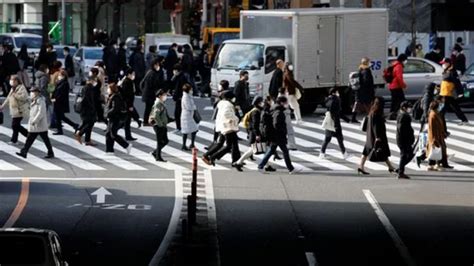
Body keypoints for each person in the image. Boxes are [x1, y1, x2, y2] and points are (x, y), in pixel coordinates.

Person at [257, 96, 301, 174]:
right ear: (281, 103)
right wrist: (282, 131)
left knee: (271, 150)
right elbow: (276, 124)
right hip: (278, 135)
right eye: (286, 102)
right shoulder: (278, 112)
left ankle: (260, 166)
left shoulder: (275, 109)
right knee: (285, 151)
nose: (287, 104)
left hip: (275, 135)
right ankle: (291, 169)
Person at [233, 96, 275, 172]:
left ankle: (267, 165)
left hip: (255, 134)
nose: (263, 103)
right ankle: (238, 163)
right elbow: (255, 125)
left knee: (263, 149)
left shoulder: (257, 110)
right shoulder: (255, 112)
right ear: (258, 103)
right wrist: (258, 135)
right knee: (252, 150)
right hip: (255, 134)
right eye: (261, 102)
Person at [358, 97, 395, 175]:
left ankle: (361, 167)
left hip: (370, 135)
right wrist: (377, 137)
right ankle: (390, 167)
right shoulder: (377, 113)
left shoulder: (372, 111)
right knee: (382, 151)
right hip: (376, 136)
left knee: (366, 152)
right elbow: (376, 126)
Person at [203, 91, 241, 166]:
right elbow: (227, 114)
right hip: (228, 126)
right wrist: (236, 118)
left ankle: (207, 155)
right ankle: (213, 157)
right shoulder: (227, 105)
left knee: (221, 143)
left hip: (222, 126)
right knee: (229, 145)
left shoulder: (222, 103)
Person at [15, 86, 54, 159]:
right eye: (31, 91)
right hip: (36, 124)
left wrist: (35, 121)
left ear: (37, 93)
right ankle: (24, 152)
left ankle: (25, 152)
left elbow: (41, 112)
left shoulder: (41, 101)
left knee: (43, 139)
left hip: (39, 124)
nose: (31, 93)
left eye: (33, 92)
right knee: (31, 139)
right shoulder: (33, 99)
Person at [319, 88, 349, 159]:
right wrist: (347, 119)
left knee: (327, 139)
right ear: (333, 93)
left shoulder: (328, 100)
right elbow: (338, 113)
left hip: (329, 122)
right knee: (339, 138)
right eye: (337, 92)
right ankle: (344, 154)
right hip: (335, 122)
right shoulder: (336, 100)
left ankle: (322, 153)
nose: (338, 93)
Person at [439, 57, 469, 126]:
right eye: (442, 63)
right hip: (445, 92)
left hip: (448, 93)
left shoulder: (452, 72)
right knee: (455, 107)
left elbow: (457, 82)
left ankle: (438, 119)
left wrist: (460, 92)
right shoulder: (446, 70)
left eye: (444, 63)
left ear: (448, 63)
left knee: (443, 108)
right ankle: (464, 120)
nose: (443, 65)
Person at [0, 76, 29, 144]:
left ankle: (22, 137)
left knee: (14, 125)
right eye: (11, 80)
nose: (11, 81)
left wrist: (15, 95)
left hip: (20, 109)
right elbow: (8, 98)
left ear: (17, 81)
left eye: (13, 80)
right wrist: (2, 106)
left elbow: (24, 97)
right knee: (16, 125)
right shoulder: (13, 88)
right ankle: (19, 138)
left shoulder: (21, 87)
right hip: (14, 110)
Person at [105, 83, 132, 154]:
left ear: (111, 89)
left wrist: (107, 114)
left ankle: (126, 145)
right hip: (112, 117)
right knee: (108, 134)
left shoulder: (115, 97)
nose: (107, 90)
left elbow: (115, 108)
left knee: (113, 134)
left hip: (115, 118)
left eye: (108, 88)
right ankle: (109, 150)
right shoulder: (112, 96)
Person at [426, 100, 452, 171]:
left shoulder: (436, 113)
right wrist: (434, 138)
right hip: (436, 136)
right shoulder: (433, 115)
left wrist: (443, 133)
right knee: (437, 150)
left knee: (438, 150)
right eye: (439, 105)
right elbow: (432, 128)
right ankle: (436, 164)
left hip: (439, 135)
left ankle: (439, 164)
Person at [51, 70, 79, 135]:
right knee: (61, 117)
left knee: (59, 117)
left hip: (60, 102)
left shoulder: (65, 83)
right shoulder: (59, 82)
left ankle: (61, 130)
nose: (59, 76)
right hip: (58, 102)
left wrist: (55, 99)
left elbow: (61, 94)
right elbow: (53, 90)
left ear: (63, 76)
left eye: (60, 75)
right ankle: (74, 125)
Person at [142, 58, 165, 126]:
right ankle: (146, 122)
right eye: (157, 65)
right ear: (154, 65)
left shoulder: (150, 72)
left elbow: (142, 83)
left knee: (150, 108)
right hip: (150, 93)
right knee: (149, 108)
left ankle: (148, 121)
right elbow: (153, 84)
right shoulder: (153, 73)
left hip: (148, 93)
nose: (158, 66)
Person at [74, 79, 97, 146]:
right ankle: (79, 134)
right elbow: (87, 99)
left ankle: (87, 140)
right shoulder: (88, 88)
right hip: (87, 109)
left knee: (88, 123)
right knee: (90, 123)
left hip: (86, 109)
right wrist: (92, 107)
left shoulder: (86, 87)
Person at [149, 89, 170, 162]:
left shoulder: (161, 103)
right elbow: (155, 115)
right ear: (159, 96)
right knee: (160, 141)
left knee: (165, 141)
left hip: (162, 125)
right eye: (164, 95)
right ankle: (158, 157)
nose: (165, 96)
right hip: (158, 125)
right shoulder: (158, 103)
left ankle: (155, 153)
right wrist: (160, 124)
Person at [352, 57, 375, 123]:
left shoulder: (360, 68)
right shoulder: (366, 70)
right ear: (366, 62)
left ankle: (353, 118)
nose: (370, 63)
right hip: (365, 91)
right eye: (369, 61)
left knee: (357, 104)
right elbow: (366, 81)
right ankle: (371, 117)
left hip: (359, 91)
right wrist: (370, 89)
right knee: (368, 105)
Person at [396, 101, 415, 179]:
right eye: (408, 107)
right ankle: (400, 172)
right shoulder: (404, 116)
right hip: (404, 140)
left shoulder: (401, 114)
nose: (410, 109)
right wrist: (408, 137)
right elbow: (402, 129)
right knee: (405, 155)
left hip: (402, 139)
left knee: (408, 155)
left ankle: (400, 169)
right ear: (404, 108)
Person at [120, 67, 139, 140]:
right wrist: (130, 105)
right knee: (127, 121)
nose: (134, 75)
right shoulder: (127, 82)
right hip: (128, 104)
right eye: (133, 74)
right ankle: (128, 136)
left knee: (127, 120)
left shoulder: (128, 81)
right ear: (129, 74)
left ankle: (128, 135)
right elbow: (128, 95)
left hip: (128, 103)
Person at [171, 64, 191, 132]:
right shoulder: (177, 77)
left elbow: (182, 88)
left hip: (180, 98)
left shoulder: (182, 78)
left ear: (177, 70)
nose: (173, 71)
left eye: (174, 70)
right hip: (179, 98)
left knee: (178, 113)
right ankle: (180, 127)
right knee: (179, 113)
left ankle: (179, 127)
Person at [388, 54, 408, 120]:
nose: (406, 61)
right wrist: (404, 85)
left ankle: (392, 114)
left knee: (395, 101)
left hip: (392, 85)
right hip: (396, 86)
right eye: (405, 60)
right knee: (402, 100)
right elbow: (399, 78)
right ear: (403, 60)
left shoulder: (395, 64)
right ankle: (403, 114)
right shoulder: (399, 66)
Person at [181, 84, 199, 151]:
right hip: (187, 116)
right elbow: (188, 107)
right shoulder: (185, 97)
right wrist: (194, 107)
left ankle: (191, 144)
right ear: (188, 90)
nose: (192, 90)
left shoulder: (188, 96)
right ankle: (185, 145)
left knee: (193, 130)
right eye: (191, 89)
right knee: (188, 131)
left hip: (189, 116)